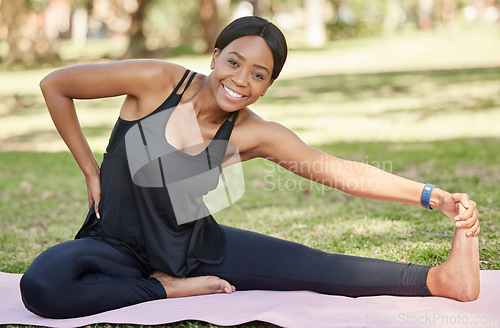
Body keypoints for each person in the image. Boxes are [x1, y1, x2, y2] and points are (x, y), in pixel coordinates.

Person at [20, 16, 480, 319]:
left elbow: (340, 171)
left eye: (258, 74)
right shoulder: (156, 82)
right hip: (113, 244)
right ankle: (168, 289)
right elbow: (55, 84)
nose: (241, 79)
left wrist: (430, 194)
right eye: (234, 61)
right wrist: (89, 170)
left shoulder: (255, 133)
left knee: (322, 269)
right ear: (215, 55)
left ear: (268, 86)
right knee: (42, 285)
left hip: (195, 249)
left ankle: (442, 279)